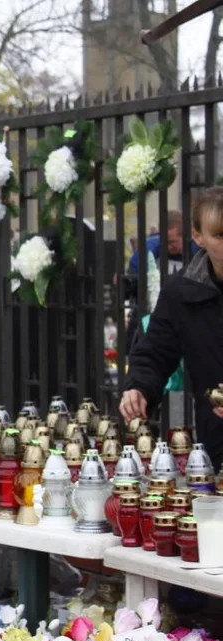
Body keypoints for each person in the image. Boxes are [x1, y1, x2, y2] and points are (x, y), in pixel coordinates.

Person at [122, 187, 223, 470]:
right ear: (198, 237)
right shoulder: (180, 293)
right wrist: (139, 388)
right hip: (216, 440)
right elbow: (154, 352)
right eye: (220, 235)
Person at [127, 210, 200, 275]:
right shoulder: (151, 247)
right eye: (165, 242)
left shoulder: (198, 249)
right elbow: (133, 276)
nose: (168, 247)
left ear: (185, 236)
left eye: (172, 242)